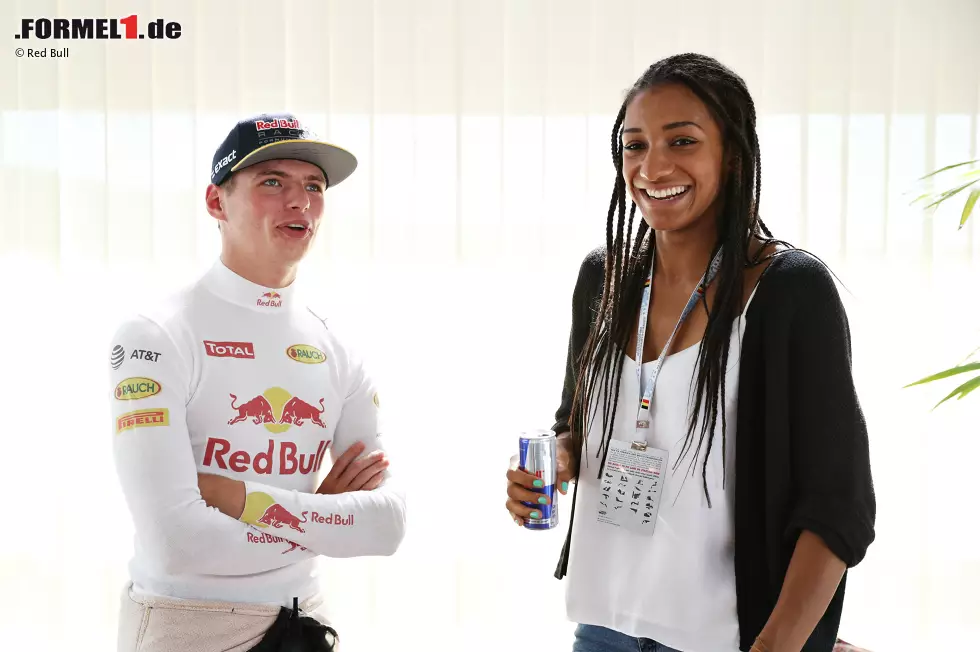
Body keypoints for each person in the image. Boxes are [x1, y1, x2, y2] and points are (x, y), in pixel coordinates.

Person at [505, 54, 875, 652]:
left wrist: (778, 644)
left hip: (726, 637)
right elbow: (577, 423)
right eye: (635, 146)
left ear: (731, 155)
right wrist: (561, 463)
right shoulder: (603, 281)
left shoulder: (787, 291)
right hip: (604, 626)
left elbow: (838, 503)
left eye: (682, 140)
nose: (652, 166)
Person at [109, 113, 407, 652]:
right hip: (187, 625)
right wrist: (325, 520)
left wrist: (233, 495)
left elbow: (386, 525)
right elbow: (178, 543)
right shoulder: (155, 335)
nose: (300, 201)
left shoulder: (338, 346)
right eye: (273, 182)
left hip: (304, 620)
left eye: (313, 186)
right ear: (216, 202)